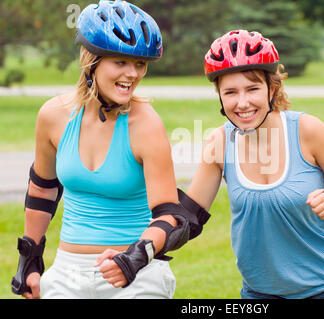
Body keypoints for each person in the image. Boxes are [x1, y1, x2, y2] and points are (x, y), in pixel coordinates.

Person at [11, 0, 207, 299]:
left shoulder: (146, 124)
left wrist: (136, 257)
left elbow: (170, 216)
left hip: (134, 274)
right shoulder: (53, 115)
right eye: (120, 62)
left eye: (140, 63)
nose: (132, 74)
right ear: (92, 60)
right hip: (67, 272)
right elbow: (42, 191)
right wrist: (30, 261)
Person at [186, 30, 324, 299]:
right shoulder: (219, 142)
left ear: (272, 89)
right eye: (230, 92)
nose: (242, 103)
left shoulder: (307, 131)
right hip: (260, 293)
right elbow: (188, 218)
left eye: (252, 89)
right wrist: (140, 246)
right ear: (220, 96)